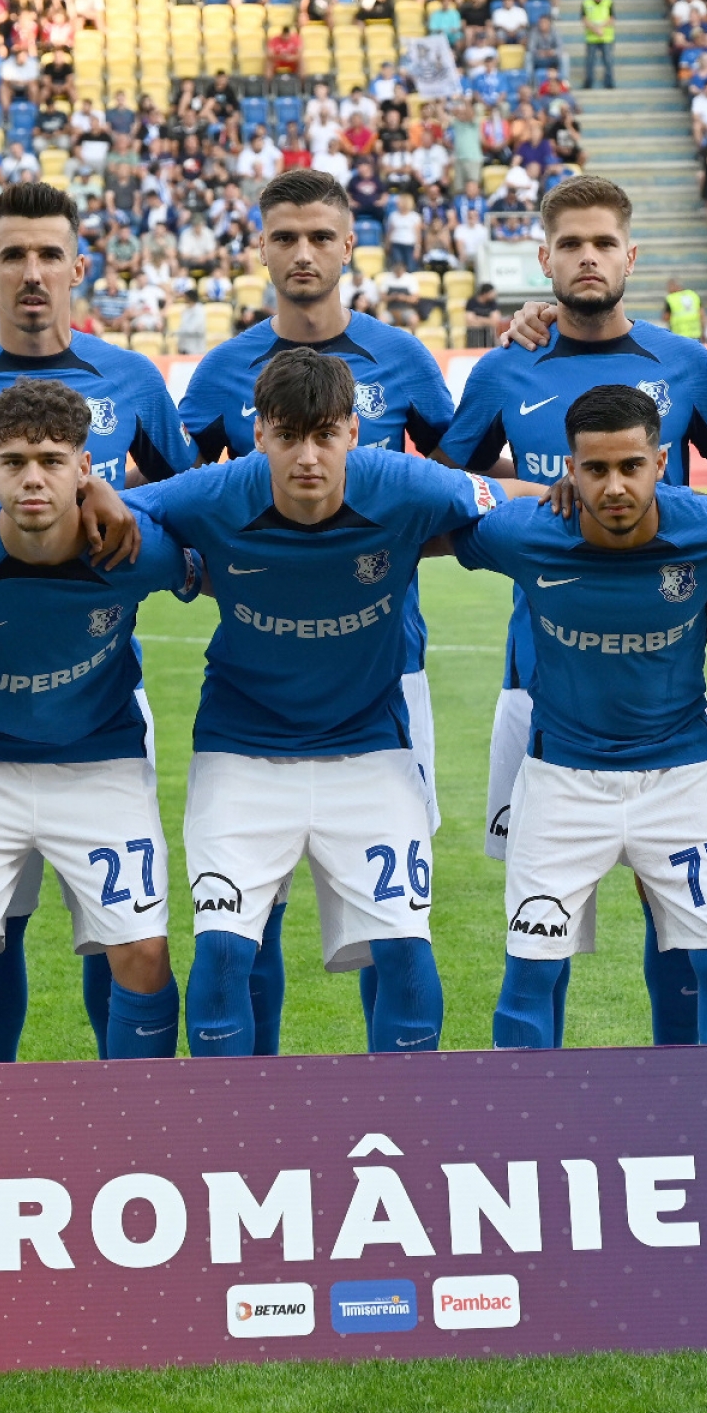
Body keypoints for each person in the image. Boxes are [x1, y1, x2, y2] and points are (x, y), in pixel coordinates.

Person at [434, 174, 707, 1046]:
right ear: (543, 258)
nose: (588, 258)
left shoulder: (686, 366)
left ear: (631, 256)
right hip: (537, 687)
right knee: (539, 934)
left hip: (664, 689)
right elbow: (444, 490)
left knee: (681, 925)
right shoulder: (505, 368)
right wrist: (536, 490)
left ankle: (685, 1089)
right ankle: (541, 1107)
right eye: (571, 245)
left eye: (603, 244)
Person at [128, 349, 543, 1058]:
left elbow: (514, 499)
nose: (307, 457)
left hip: (369, 750)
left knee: (405, 950)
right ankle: (231, 1117)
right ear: (259, 435)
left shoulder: (404, 482)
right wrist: (186, 565)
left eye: (324, 435)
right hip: (241, 750)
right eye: (288, 436)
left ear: (354, 431)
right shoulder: (214, 491)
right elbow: (119, 511)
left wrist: (577, 499)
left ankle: (406, 1111)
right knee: (223, 951)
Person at [0, 181, 197, 1063]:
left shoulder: (132, 379)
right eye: (14, 255)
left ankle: (121, 1102)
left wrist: (114, 494)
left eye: (49, 255)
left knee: (118, 933)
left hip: (102, 705)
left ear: (77, 267)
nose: (32, 273)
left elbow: (185, 509)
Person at [177, 169, 458, 1052]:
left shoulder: (405, 359)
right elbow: (185, 509)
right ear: (261, 248)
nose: (303, 253)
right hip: (263, 680)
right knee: (248, 915)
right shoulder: (222, 371)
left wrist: (374, 558)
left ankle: (390, 1094)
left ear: (348, 247)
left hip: (387, 673)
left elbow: (450, 498)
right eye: (285, 237)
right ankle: (251, 1093)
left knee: (388, 918)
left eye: (321, 237)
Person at [581, 0, 614, 89]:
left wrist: (601, 28)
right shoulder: (586, 3)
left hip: (606, 37)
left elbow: (612, 18)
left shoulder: (608, 2)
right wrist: (595, 29)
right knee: (590, 62)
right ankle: (588, 83)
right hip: (591, 37)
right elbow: (584, 19)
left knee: (608, 61)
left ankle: (609, 83)